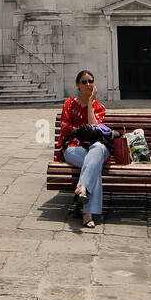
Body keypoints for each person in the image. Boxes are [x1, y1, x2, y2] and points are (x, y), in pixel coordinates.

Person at [57, 69, 109, 228]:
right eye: (84, 82)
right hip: (74, 149)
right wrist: (81, 132)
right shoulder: (69, 104)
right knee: (95, 165)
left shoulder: (99, 107)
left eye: (91, 81)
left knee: (99, 149)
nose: (88, 84)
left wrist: (90, 104)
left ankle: (82, 188)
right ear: (78, 85)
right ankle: (87, 212)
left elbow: (95, 129)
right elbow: (65, 128)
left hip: (95, 148)